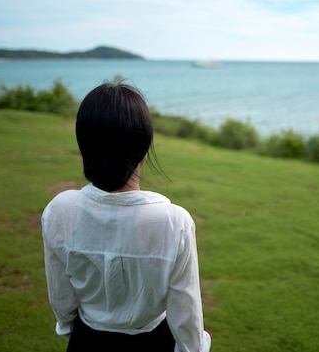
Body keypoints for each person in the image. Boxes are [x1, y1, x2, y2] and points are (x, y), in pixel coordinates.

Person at [41, 81, 211, 352]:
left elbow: (61, 296)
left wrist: (69, 329)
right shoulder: (173, 222)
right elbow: (186, 312)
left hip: (86, 340)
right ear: (144, 148)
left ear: (85, 145)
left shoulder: (60, 210)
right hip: (154, 343)